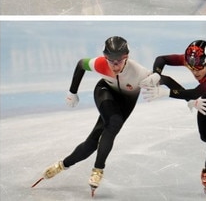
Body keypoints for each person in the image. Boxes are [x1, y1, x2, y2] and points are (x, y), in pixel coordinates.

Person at [37, 36, 161, 195]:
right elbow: (81, 64)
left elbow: (166, 80)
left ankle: (60, 165)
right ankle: (98, 170)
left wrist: (188, 97)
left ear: (126, 57)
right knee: (114, 122)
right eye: (111, 60)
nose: (115, 65)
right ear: (105, 57)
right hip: (105, 92)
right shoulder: (101, 64)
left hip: (126, 102)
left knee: (91, 144)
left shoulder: (139, 72)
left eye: (119, 61)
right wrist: (72, 92)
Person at [140, 40, 206, 191]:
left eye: (199, 68)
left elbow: (195, 93)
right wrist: (157, 74)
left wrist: (166, 92)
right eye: (191, 67)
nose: (195, 71)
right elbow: (162, 59)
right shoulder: (191, 60)